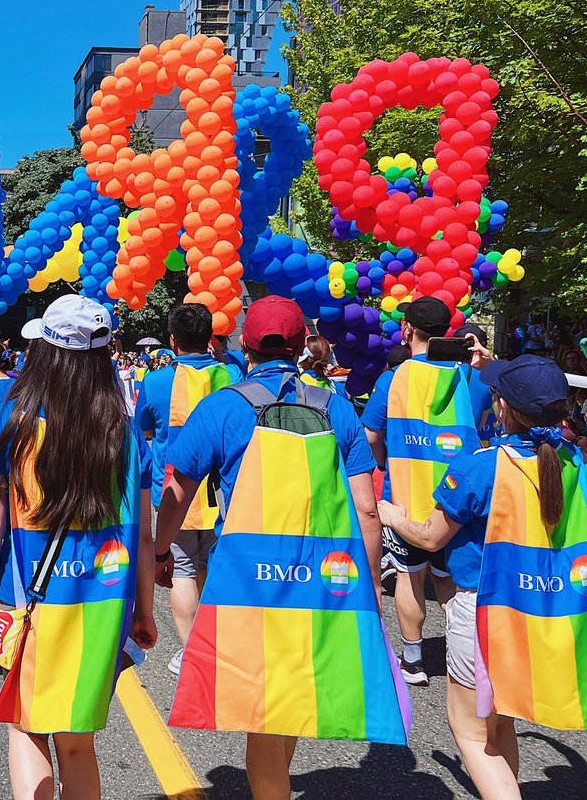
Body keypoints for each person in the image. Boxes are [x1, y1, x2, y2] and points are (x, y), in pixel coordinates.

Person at [155, 296, 388, 800]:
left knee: (264, 702)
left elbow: (178, 492)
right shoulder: (336, 407)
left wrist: (159, 550)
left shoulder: (222, 406)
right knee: (293, 684)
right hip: (323, 573)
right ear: (304, 344)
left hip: (249, 578)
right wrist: (368, 585)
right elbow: (367, 509)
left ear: (244, 344)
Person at [377, 352, 587, 800]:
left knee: (470, 732)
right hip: (538, 608)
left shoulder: (480, 466)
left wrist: (392, 516)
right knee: (499, 719)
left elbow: (430, 538)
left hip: (483, 612)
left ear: (502, 408)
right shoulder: (569, 459)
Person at [0, 295, 156, 800]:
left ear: (43, 348)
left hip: (26, 597)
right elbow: (141, 532)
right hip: (103, 603)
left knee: (27, 726)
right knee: (78, 742)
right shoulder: (123, 425)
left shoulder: (11, 418)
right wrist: (144, 609)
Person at [362, 297, 493, 686]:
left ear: (407, 331)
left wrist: (387, 460)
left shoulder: (393, 378)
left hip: (405, 497)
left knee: (409, 576)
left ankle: (414, 662)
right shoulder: (468, 376)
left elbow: (370, 436)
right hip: (459, 502)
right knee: (449, 579)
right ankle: (461, 652)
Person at [135, 303, 240, 676]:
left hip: (177, 490)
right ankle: (215, 641)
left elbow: (144, 430)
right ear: (211, 337)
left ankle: (192, 651)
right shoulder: (234, 375)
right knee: (209, 567)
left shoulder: (155, 382)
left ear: (172, 340)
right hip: (228, 491)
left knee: (180, 568)